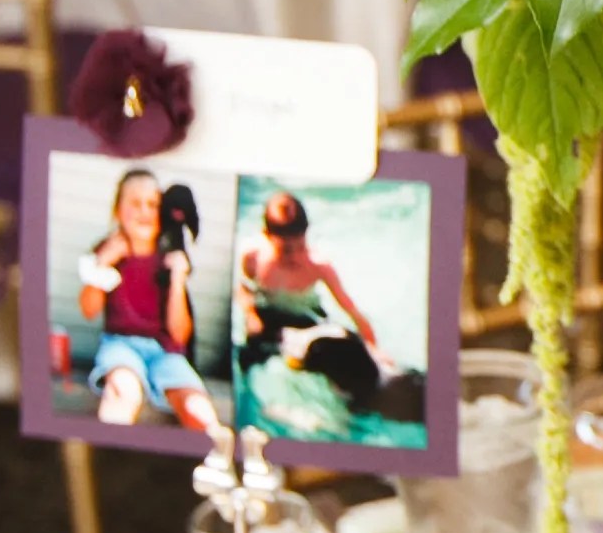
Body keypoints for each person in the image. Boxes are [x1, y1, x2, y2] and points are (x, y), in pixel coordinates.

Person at [75, 168, 216, 433]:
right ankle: (109, 452)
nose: (144, 211)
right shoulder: (107, 249)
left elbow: (180, 333)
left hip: (165, 352)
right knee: (124, 392)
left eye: (152, 204)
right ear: (117, 211)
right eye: (135, 203)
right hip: (121, 345)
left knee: (197, 408)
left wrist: (177, 279)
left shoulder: (170, 256)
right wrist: (104, 262)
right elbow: (88, 310)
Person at [235, 190, 385, 416]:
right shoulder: (253, 256)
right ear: (267, 235)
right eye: (286, 250)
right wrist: (250, 315)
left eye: (301, 246)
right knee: (249, 360)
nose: (295, 256)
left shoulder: (318, 265)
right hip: (266, 315)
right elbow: (242, 288)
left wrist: (374, 350)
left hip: (305, 316)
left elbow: (352, 310)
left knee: (336, 358)